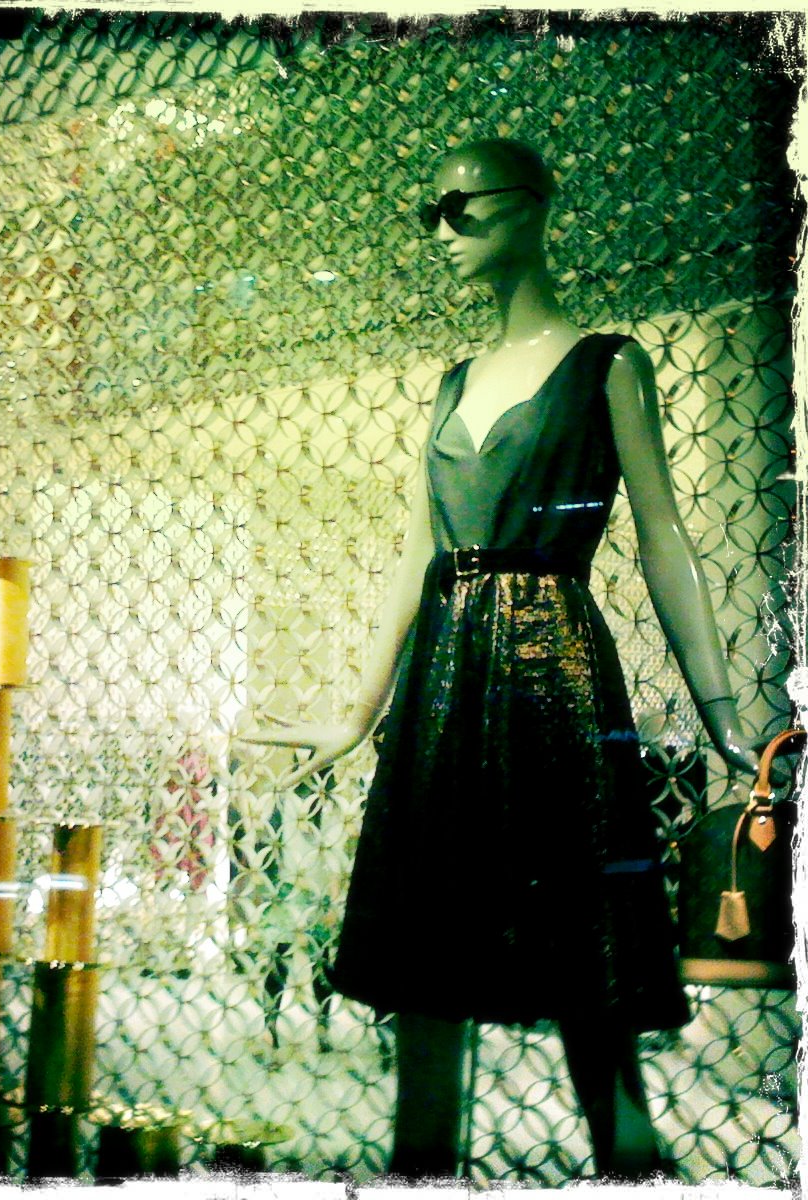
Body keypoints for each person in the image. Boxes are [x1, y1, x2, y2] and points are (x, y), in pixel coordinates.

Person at [237, 138, 755, 1180]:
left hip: (554, 666)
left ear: (532, 207)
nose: (444, 230)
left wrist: (724, 714)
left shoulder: (609, 364)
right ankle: (422, 1169)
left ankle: (630, 1165)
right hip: (444, 680)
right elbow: (417, 554)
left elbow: (663, 533)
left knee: (582, 939)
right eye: (432, 212)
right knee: (429, 948)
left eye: (460, 207)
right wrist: (359, 711)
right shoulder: (451, 385)